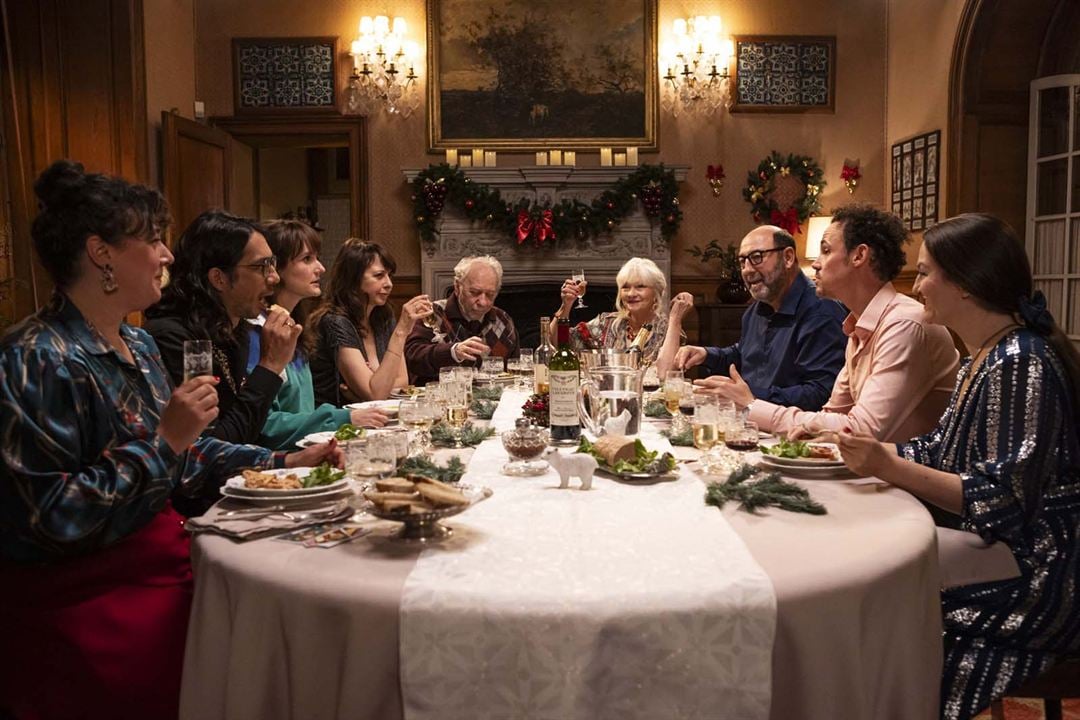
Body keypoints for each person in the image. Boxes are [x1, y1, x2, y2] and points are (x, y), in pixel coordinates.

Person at [0, 161, 339, 720]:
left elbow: (188, 454)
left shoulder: (137, 342)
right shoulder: (36, 357)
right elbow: (47, 519)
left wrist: (284, 459)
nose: (168, 255)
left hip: (163, 559)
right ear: (101, 253)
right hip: (88, 604)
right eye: (153, 239)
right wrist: (164, 442)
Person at [837, 214, 1080, 720]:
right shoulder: (985, 356)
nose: (916, 285)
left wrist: (886, 464)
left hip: (1041, 572)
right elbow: (938, 449)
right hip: (1005, 551)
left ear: (965, 285)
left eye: (925, 273)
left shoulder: (1021, 361)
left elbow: (1004, 502)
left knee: (880, 595)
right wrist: (869, 454)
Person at [701, 205, 960, 442]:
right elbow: (831, 413)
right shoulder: (858, 325)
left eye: (825, 250)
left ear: (859, 256)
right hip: (870, 469)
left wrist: (752, 405)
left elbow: (860, 430)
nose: (814, 263)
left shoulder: (904, 324)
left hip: (904, 483)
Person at [144, 210, 301, 445]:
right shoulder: (175, 337)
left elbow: (247, 433)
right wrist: (270, 365)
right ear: (219, 278)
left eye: (273, 263)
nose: (274, 277)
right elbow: (212, 445)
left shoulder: (235, 330)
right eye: (261, 266)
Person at [245, 222, 394, 449]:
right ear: (276, 270)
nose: (321, 268)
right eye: (307, 259)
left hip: (308, 453)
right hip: (276, 467)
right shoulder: (259, 333)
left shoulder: (295, 326)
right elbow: (263, 425)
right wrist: (343, 418)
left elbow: (304, 411)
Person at [675, 225, 848, 411]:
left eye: (756, 258)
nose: (747, 270)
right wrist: (707, 354)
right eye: (742, 262)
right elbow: (744, 355)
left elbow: (821, 394)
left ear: (788, 257)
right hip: (751, 425)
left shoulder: (820, 310)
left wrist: (750, 397)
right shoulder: (756, 310)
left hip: (795, 434)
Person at [308, 238, 432, 405]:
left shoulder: (383, 317)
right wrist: (401, 331)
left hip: (373, 416)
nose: (389, 284)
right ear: (354, 279)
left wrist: (371, 386)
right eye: (379, 276)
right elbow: (375, 393)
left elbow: (403, 382)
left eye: (389, 275)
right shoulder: (335, 322)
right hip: (336, 424)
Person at [552, 257, 687, 370]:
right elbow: (557, 343)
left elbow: (668, 374)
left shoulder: (670, 329)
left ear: (656, 293)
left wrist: (675, 318)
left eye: (640, 286)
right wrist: (566, 304)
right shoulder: (607, 323)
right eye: (625, 287)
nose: (631, 294)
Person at [404, 255, 518, 385]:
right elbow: (412, 357)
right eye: (474, 292)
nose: (483, 302)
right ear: (457, 287)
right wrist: (453, 351)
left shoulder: (503, 320)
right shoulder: (432, 314)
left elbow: (514, 371)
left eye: (490, 295)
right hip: (441, 400)